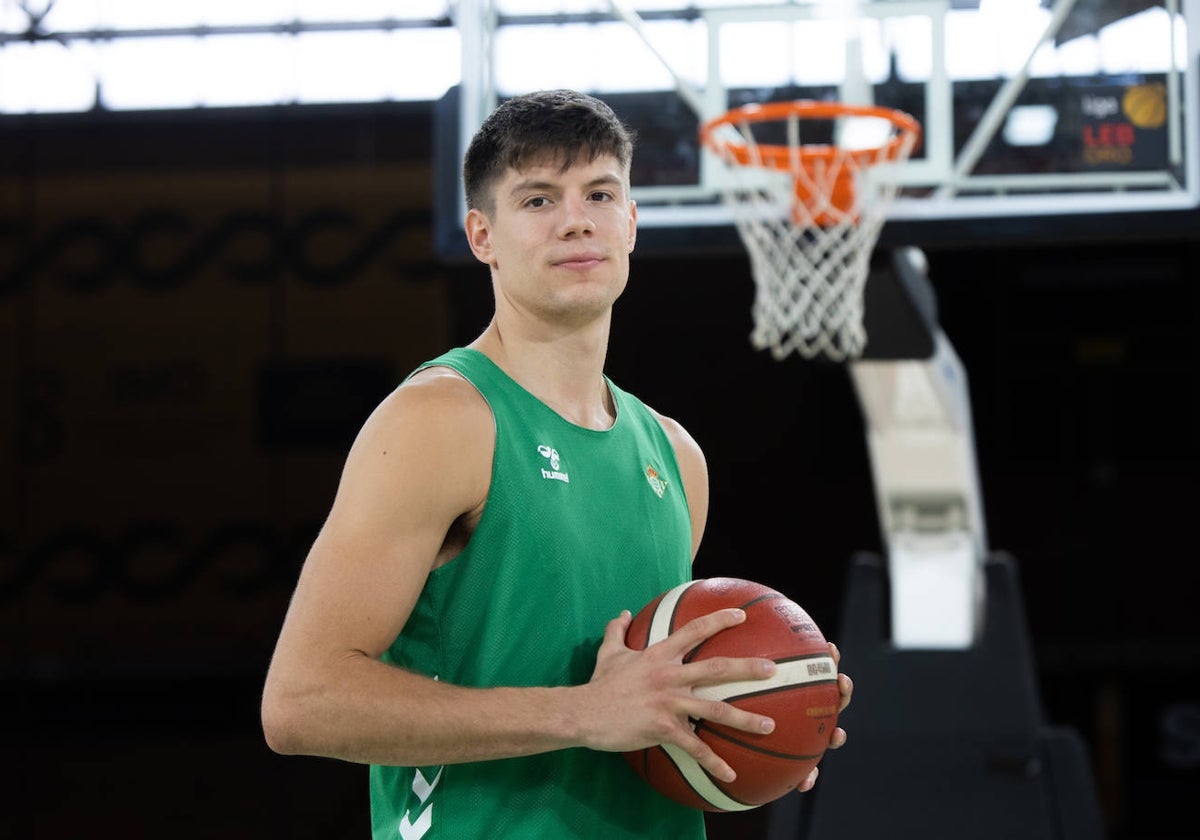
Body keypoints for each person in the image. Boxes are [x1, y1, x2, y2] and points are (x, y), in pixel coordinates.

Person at [261, 88, 852, 839]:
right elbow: (301, 702)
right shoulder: (441, 420)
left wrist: (760, 711)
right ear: (483, 236)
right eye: (538, 199)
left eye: (600, 193)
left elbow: (641, 706)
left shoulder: (673, 454)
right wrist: (580, 713)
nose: (577, 219)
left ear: (631, 221)